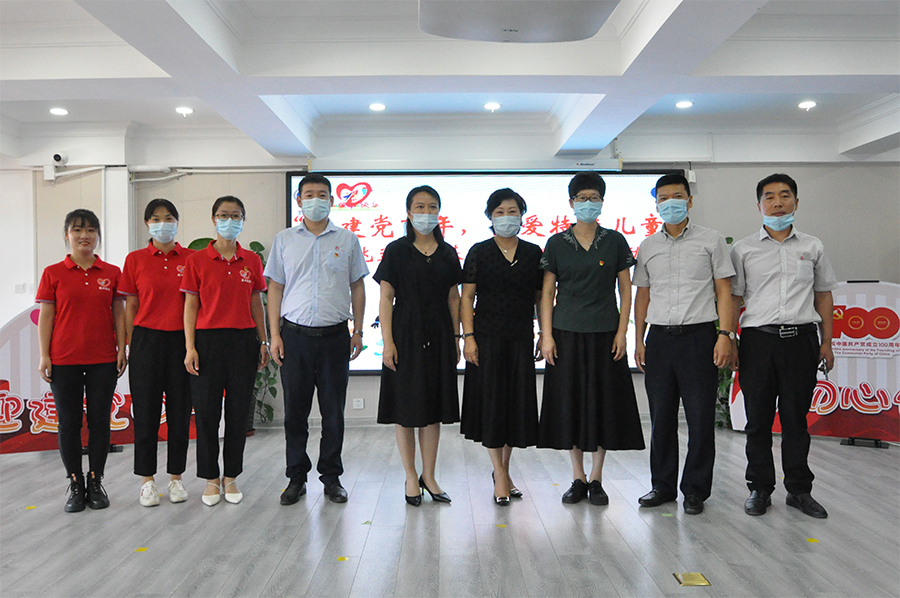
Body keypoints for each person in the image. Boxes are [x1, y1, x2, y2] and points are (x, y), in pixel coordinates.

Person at [730, 173, 837, 519]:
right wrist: (729, 338)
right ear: (759, 204)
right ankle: (760, 488)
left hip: (801, 342)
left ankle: (799, 490)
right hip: (758, 342)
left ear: (796, 202)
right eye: (770, 197)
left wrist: (827, 342)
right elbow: (733, 298)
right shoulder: (743, 249)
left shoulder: (813, 246)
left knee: (795, 420)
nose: (778, 203)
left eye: (785, 195)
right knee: (758, 420)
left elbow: (823, 295)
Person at [539, 171, 645, 505]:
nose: (588, 203)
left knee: (603, 404)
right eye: (582, 198)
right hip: (565, 334)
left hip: (605, 334)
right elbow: (547, 293)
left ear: (602, 201)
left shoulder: (614, 241)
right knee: (570, 404)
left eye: (594, 198)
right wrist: (546, 335)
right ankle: (577, 477)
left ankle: (596, 478)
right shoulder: (557, 243)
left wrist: (622, 332)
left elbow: (626, 290)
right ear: (571, 203)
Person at [632, 174, 735, 515]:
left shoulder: (711, 240)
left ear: (690, 200)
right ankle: (662, 486)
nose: (670, 203)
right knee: (661, 418)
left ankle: (695, 490)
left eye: (677, 196)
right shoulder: (648, 245)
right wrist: (639, 338)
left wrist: (725, 334)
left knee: (700, 418)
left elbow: (723, 290)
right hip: (660, 339)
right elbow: (643, 295)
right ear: (656, 204)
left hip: (699, 338)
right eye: (663, 198)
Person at [265, 174, 368, 506]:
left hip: (335, 337)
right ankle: (296, 478)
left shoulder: (347, 239)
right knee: (295, 413)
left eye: (322, 195)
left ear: (332, 201)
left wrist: (358, 330)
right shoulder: (284, 240)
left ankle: (332, 478)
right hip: (294, 337)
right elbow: (275, 288)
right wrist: (274, 335)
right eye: (309, 194)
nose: (316, 200)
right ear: (299, 201)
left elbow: (357, 286)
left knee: (333, 413)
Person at [36, 209, 127, 512]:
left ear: (98, 235)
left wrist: (122, 348)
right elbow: (47, 315)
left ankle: (96, 481)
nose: (84, 236)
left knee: (100, 422)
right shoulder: (53, 273)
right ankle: (75, 484)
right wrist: (44, 354)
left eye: (90, 230)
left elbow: (118, 313)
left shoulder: (112, 272)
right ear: (67, 235)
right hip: (64, 360)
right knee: (69, 423)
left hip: (103, 359)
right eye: (77, 230)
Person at [376, 185, 461, 506]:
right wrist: (388, 342)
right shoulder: (396, 250)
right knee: (406, 410)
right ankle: (411, 476)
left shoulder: (448, 252)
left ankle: (430, 475)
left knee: (433, 410)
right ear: (409, 212)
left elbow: (454, 298)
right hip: (405, 335)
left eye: (432, 206)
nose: (426, 212)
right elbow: (386, 297)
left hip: (440, 335)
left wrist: (456, 338)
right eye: (420, 206)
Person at [181, 195, 268, 506]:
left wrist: (263, 340)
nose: (229, 220)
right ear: (213, 219)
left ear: (243, 220)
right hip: (207, 342)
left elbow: (256, 302)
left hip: (243, 341)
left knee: (237, 412)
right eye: (223, 215)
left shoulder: (252, 260)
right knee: (206, 413)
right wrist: (190, 346)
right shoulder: (196, 260)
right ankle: (210, 479)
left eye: (235, 215)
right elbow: (190, 305)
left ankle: (231, 477)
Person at [460, 188, 543, 505]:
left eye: (513, 212)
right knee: (492, 407)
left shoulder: (534, 253)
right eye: (500, 212)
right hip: (486, 339)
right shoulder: (479, 252)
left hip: (520, 338)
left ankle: (503, 473)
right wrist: (468, 337)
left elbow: (540, 298)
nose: (506, 218)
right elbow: (467, 297)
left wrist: (542, 333)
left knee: (514, 408)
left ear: (522, 216)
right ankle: (499, 472)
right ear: (490, 217)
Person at [121, 199, 195, 507]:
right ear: (147, 224)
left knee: (180, 412)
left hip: (182, 341)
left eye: (168, 218)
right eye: (155, 218)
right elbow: (131, 305)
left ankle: (176, 478)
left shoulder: (191, 259)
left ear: (177, 222)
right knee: (146, 412)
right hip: (145, 341)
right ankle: (147, 481)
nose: (162, 224)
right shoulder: (135, 259)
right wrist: (129, 343)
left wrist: (192, 345)